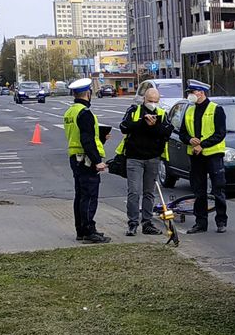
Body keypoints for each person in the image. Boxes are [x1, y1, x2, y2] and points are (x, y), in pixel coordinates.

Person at [117, 87, 173, 236]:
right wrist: (142, 123)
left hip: (152, 158)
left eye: (155, 101)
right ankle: (133, 223)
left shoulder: (162, 113)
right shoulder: (134, 111)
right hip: (134, 157)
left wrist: (155, 125)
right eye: (150, 101)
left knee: (149, 193)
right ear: (144, 99)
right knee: (134, 192)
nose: (152, 104)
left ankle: (147, 223)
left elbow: (167, 131)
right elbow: (124, 127)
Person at [64, 78, 110, 244]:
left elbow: (79, 135)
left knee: (80, 196)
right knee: (90, 196)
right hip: (85, 159)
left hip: (75, 158)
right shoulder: (85, 113)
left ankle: (81, 230)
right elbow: (86, 139)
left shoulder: (71, 112)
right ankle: (89, 231)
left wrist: (101, 137)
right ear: (88, 94)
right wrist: (97, 160)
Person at [179, 79, 228, 234]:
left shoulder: (216, 109)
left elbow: (220, 133)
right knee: (198, 191)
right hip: (195, 156)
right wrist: (189, 140)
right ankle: (201, 223)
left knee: (218, 189)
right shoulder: (189, 110)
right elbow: (182, 133)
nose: (190, 96)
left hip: (213, 155)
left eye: (193, 92)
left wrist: (203, 145)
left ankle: (221, 221)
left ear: (201, 93)